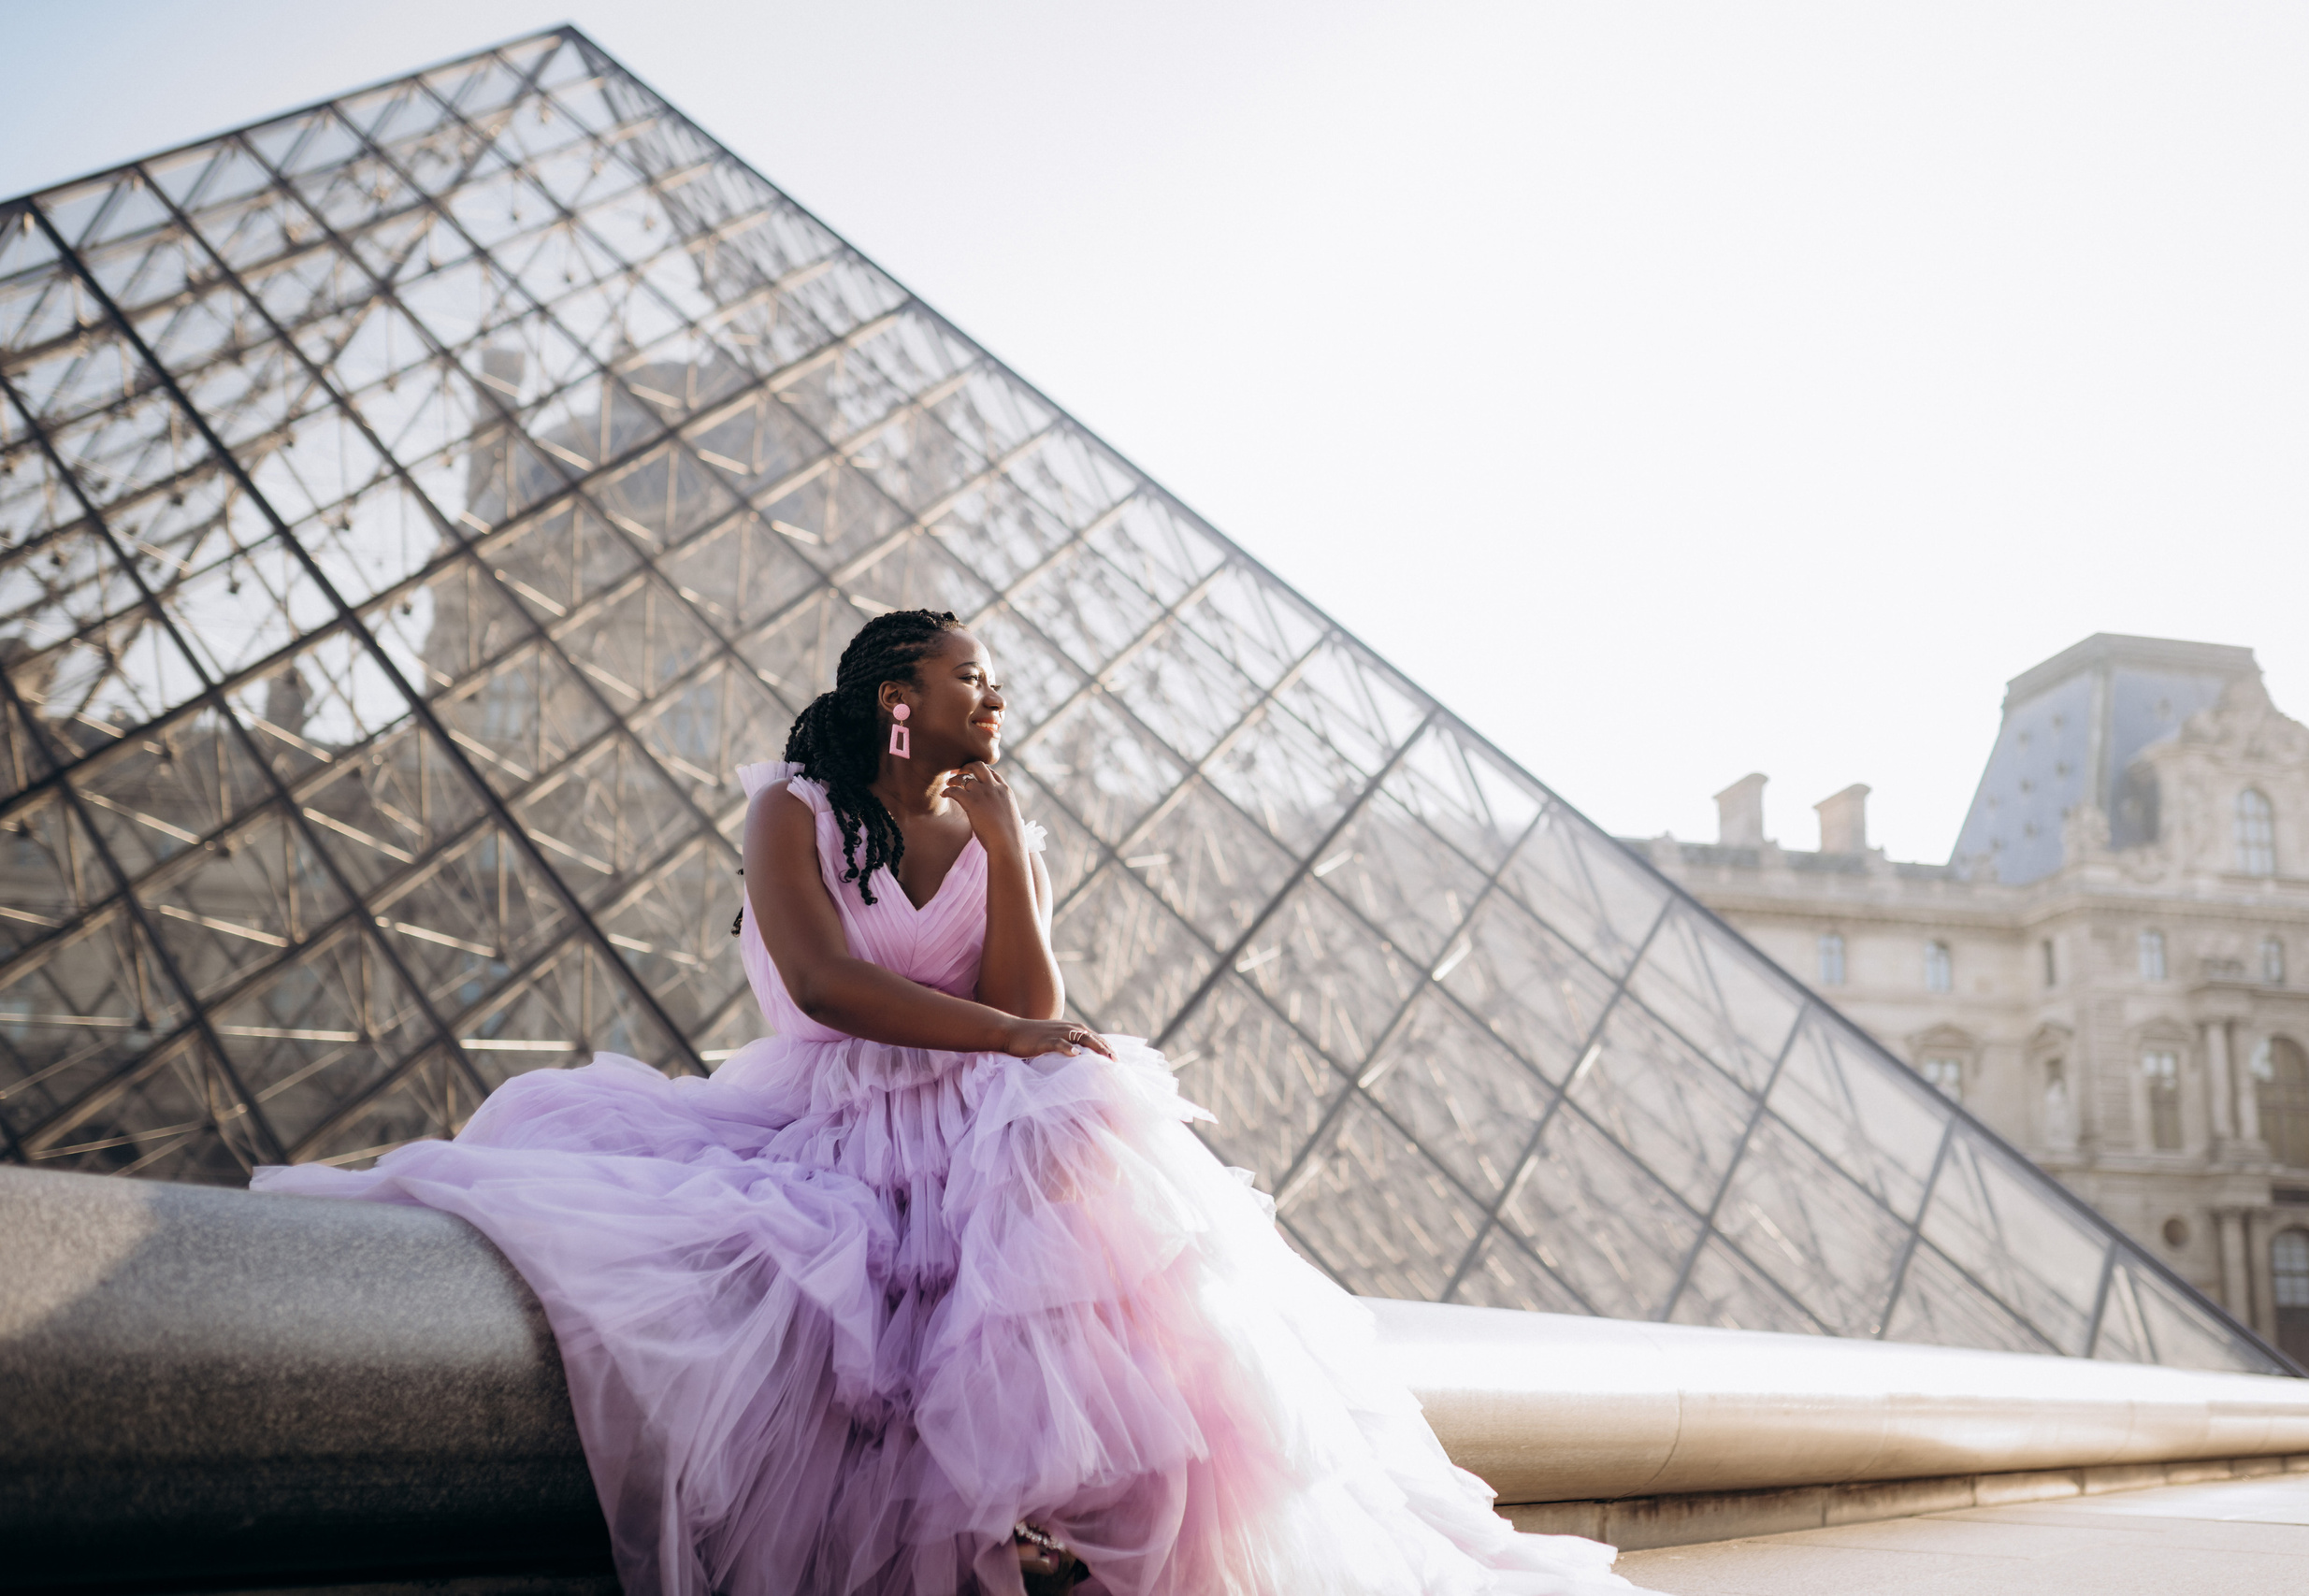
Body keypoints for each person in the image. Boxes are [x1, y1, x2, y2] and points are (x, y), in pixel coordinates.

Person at [253, 609, 1642, 1595]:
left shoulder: (989, 812)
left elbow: (1035, 1001)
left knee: (1094, 1112)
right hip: (830, 1108)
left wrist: (1010, 855)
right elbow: (823, 983)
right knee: (948, 1224)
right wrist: (1010, 1037)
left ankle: (1062, 1524)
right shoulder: (791, 809)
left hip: (976, 1107)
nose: (996, 698)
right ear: (894, 697)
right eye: (972, 676)